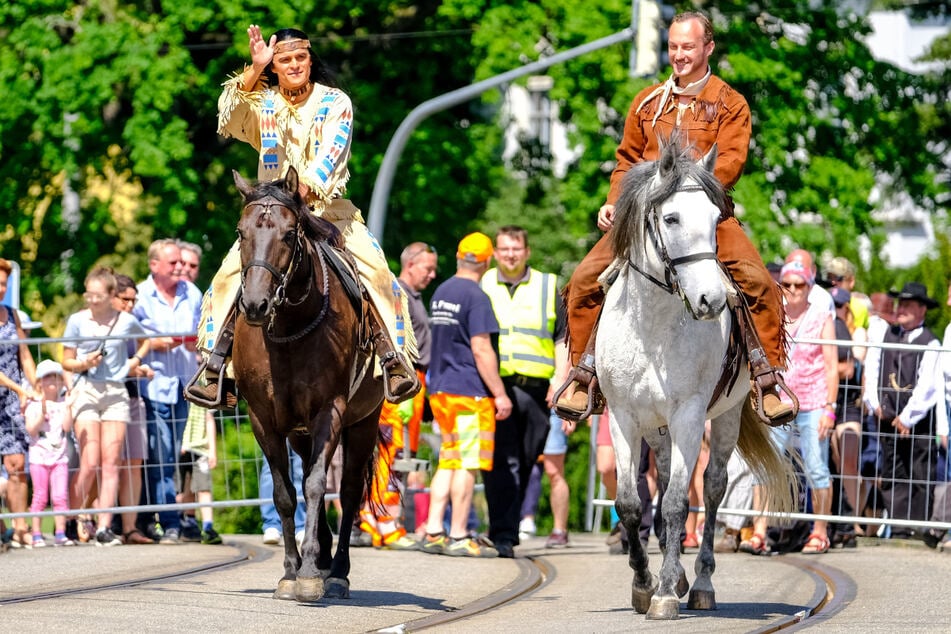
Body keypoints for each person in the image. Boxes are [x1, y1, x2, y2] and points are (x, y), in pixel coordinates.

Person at [554, 11, 794, 427]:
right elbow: (627, 159)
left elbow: (731, 162)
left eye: (688, 46)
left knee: (759, 283)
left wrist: (686, 194)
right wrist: (614, 201)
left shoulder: (730, 103)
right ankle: (584, 376)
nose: (679, 55)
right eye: (673, 47)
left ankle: (767, 379)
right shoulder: (647, 101)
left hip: (705, 216)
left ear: (708, 48)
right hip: (642, 218)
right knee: (581, 282)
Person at [187, 25, 418, 409]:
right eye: (284, 60)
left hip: (330, 212)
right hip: (271, 218)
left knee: (379, 275)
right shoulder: (264, 102)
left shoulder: (336, 101)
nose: (294, 65)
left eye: (300, 58)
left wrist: (301, 191)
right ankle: (215, 368)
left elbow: (331, 156)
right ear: (274, 66)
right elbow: (229, 118)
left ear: (310, 60)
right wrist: (254, 68)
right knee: (225, 280)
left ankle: (391, 361)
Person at [479, 226, 570, 556]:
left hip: (536, 390)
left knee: (528, 460)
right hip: (497, 387)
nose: (510, 255)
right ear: (495, 253)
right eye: (504, 249)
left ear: (527, 252)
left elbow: (562, 337)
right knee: (501, 462)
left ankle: (508, 525)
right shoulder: (483, 284)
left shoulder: (547, 285)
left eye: (516, 249)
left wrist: (560, 380)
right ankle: (503, 532)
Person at [420, 232, 512, 558]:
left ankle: (433, 530)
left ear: (460, 257)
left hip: (441, 390)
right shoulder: (476, 296)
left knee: (448, 459)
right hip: (470, 393)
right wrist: (500, 394)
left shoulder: (441, 291)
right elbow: (481, 348)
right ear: (486, 262)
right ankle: (459, 533)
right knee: (467, 465)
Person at [62, 267, 150, 546]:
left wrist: (131, 363)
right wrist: (84, 363)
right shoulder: (77, 321)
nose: (92, 300)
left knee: (111, 462)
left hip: (115, 392)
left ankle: (103, 527)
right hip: (87, 389)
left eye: (98, 295)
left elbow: (145, 341)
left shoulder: (125, 320)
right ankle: (71, 520)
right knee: (89, 462)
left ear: (111, 295)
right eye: (88, 294)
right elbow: (66, 360)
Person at [357, 241, 437, 550]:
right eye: (428, 268)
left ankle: (382, 519)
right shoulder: (397, 294)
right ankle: (384, 522)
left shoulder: (412, 296)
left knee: (398, 457)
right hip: (401, 385)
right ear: (411, 264)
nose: (431, 275)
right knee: (391, 455)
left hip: (414, 385)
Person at [133, 239, 203, 544]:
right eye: (173, 263)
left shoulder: (193, 293)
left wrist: (196, 340)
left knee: (172, 454)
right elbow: (130, 338)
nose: (180, 268)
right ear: (154, 265)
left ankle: (158, 518)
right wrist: (154, 343)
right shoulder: (140, 296)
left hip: (183, 384)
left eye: (181, 263)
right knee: (160, 454)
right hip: (153, 384)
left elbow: (204, 329)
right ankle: (169, 520)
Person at [862, 282, 943, 537]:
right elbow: (873, 368)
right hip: (887, 417)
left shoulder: (931, 342)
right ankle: (897, 527)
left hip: (916, 422)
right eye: (901, 304)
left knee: (919, 473)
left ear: (922, 310)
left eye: (908, 305)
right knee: (892, 471)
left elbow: (927, 385)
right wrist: (874, 403)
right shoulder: (886, 334)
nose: (902, 309)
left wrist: (908, 417)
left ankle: (917, 528)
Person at [771, 259, 839, 554]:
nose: (793, 290)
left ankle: (819, 531)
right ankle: (761, 530)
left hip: (813, 401)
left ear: (810, 286)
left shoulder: (822, 315)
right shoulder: (775, 314)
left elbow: (832, 365)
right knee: (769, 465)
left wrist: (830, 408)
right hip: (781, 401)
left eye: (799, 284)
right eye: (787, 284)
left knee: (816, 467)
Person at [111, 274, 155, 545]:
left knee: (134, 463)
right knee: (107, 464)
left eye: (133, 300)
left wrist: (136, 363)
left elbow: (143, 345)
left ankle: (130, 527)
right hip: (106, 398)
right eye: (124, 299)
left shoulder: (132, 323)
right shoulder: (97, 323)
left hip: (132, 395)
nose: (129, 305)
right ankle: (86, 521)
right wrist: (133, 367)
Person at [0, 258, 37, 548]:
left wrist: (35, 387)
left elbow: (24, 355)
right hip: (10, 390)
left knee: (17, 464)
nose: (1, 288)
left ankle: (20, 525)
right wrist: (19, 389)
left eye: (4, 284)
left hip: (12, 401)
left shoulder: (12, 315)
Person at [25, 360, 76, 547]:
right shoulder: (34, 404)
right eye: (48, 377)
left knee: (60, 496)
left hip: (59, 458)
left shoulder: (63, 404)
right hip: (39, 459)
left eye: (56, 377)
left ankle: (60, 532)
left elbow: (67, 427)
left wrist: (69, 407)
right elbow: (31, 429)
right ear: (40, 382)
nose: (53, 381)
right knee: (39, 496)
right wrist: (42, 413)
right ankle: (36, 533)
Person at [828, 286, 864, 547]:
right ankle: (842, 521)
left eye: (840, 305)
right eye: (834, 304)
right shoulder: (830, 325)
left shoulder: (849, 330)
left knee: (846, 462)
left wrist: (829, 369)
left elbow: (849, 370)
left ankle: (853, 521)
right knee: (833, 464)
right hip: (830, 401)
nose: (837, 310)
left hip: (848, 404)